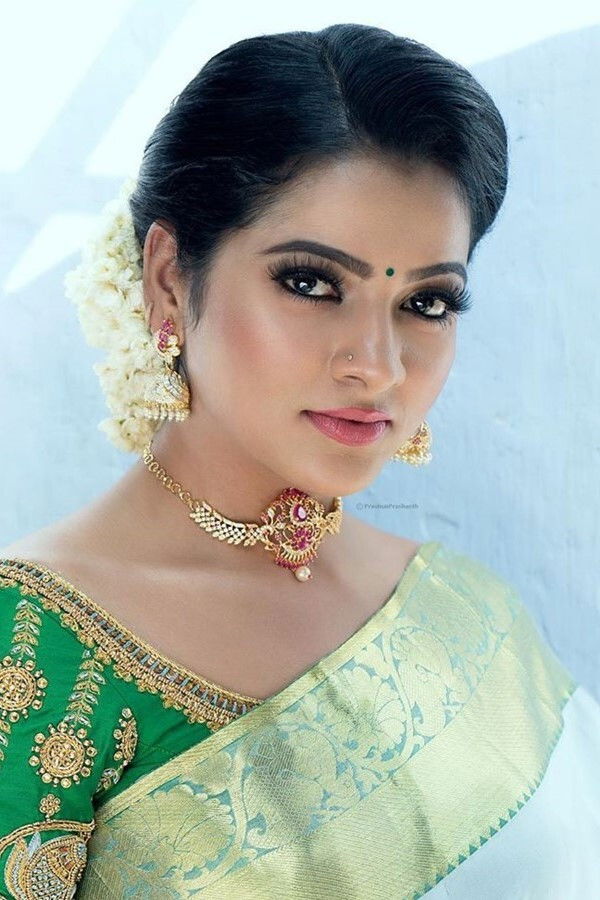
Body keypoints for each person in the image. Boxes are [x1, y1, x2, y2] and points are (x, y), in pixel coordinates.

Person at [0, 22, 598, 899]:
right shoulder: (30, 653)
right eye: (312, 283)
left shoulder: (465, 610)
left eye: (428, 301)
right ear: (168, 278)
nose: (378, 366)